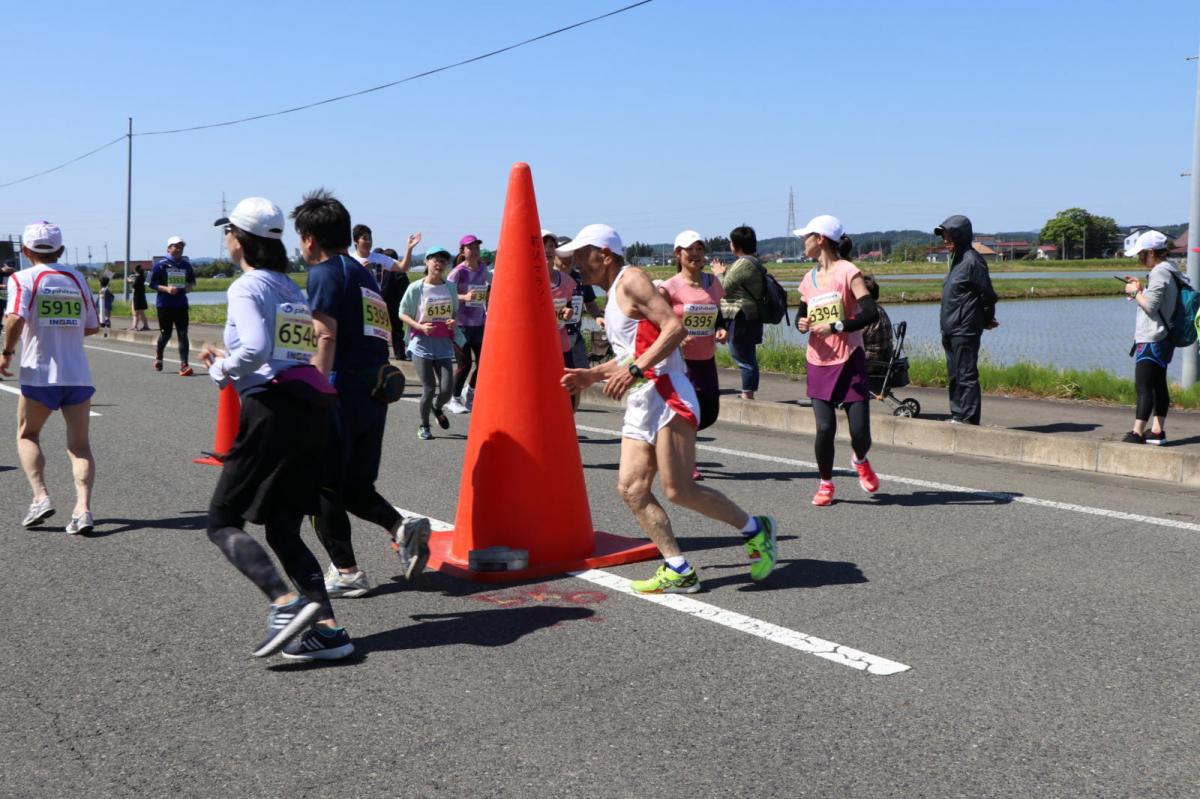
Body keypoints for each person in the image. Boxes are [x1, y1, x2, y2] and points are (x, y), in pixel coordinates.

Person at [559, 224, 778, 594]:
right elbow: (633, 353)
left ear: (605, 255)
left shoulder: (631, 280)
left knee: (678, 490)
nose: (576, 264)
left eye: (582, 256)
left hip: (668, 393)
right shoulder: (613, 295)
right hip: (643, 399)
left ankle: (756, 529)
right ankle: (678, 566)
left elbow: (673, 328)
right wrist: (592, 374)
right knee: (631, 488)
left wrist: (633, 369)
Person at [197, 196, 352, 661]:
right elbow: (293, 350)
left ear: (238, 240)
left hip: (270, 410)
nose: (225, 238)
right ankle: (328, 632)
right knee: (284, 528)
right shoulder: (290, 286)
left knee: (222, 520)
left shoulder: (246, 287)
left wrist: (223, 369)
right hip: (309, 410)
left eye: (227, 231)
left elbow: (258, 348)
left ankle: (285, 605)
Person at [291, 189, 431, 598]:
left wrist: (314, 395)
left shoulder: (323, 273)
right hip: (377, 387)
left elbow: (325, 335)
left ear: (310, 239)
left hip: (342, 387)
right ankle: (401, 527)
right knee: (355, 486)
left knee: (322, 486)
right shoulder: (363, 274)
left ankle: (347, 571)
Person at [1, 221, 98, 535]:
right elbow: (92, 325)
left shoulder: (22, 277)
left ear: (25, 251)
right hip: (77, 374)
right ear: (61, 250)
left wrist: (6, 352)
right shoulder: (77, 277)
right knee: (80, 446)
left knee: (28, 435)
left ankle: (41, 497)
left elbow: (15, 317)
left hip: (39, 373)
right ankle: (83, 509)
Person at [794, 215, 881, 507]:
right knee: (824, 428)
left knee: (859, 431)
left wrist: (837, 327)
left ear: (820, 239)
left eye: (806, 236)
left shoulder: (848, 272)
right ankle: (826, 483)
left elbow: (870, 313)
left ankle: (860, 459)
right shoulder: (808, 279)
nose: (802, 241)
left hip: (849, 359)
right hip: (818, 360)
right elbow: (800, 316)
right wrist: (802, 324)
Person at [658, 230, 726, 481]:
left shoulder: (712, 283)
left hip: (706, 357)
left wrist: (720, 329)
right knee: (689, 411)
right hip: (679, 361)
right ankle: (688, 461)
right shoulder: (669, 287)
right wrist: (676, 334)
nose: (696, 255)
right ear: (678, 254)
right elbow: (656, 321)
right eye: (690, 250)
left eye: (700, 249)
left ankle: (669, 439)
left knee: (709, 411)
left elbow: (717, 314)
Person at [1121, 229, 1188, 445]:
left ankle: (1137, 432)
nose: (1139, 258)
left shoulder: (1160, 272)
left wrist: (1134, 291)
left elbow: (1150, 306)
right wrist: (1141, 289)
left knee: (1144, 386)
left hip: (1153, 338)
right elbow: (1157, 301)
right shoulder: (1170, 269)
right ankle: (1157, 430)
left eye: (1141, 253)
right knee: (1158, 384)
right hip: (1164, 336)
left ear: (1151, 252)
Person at [934, 214, 998, 424]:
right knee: (954, 375)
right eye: (944, 237)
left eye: (949, 236)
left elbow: (987, 294)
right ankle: (958, 414)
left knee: (966, 374)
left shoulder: (973, 260)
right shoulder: (957, 261)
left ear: (960, 236)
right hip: (950, 328)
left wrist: (987, 318)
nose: (946, 241)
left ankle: (969, 419)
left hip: (965, 327)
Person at [399, 246, 464, 439]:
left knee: (446, 389)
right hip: (421, 343)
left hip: (443, 343)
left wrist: (454, 321)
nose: (439, 264)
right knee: (428, 388)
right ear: (427, 262)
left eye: (443, 261)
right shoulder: (416, 287)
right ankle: (424, 425)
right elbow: (402, 313)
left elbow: (454, 314)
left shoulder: (450, 287)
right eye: (434, 259)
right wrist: (419, 327)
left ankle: (437, 407)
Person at [713, 226, 764, 400]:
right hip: (748, 315)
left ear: (736, 244)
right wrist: (725, 273)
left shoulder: (744, 263)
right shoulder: (751, 261)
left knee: (742, 356)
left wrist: (719, 273)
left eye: (731, 241)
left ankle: (747, 394)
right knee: (746, 355)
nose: (730, 244)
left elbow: (724, 288)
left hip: (741, 315)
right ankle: (747, 392)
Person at [446, 234, 488, 414]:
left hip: (479, 323)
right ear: (462, 252)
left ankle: (469, 393)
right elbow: (446, 295)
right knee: (465, 364)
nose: (475, 250)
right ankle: (453, 398)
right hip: (461, 325)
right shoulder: (458, 272)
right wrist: (464, 297)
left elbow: (492, 287)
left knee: (484, 363)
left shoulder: (483, 268)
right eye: (470, 247)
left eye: (477, 247)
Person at [148, 235, 197, 376]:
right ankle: (159, 355)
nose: (179, 249)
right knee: (166, 334)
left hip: (181, 304)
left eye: (181, 246)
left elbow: (192, 281)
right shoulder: (160, 265)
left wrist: (189, 286)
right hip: (165, 305)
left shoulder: (186, 265)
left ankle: (184, 365)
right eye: (176, 246)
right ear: (169, 248)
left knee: (183, 334)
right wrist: (166, 289)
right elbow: (149, 283)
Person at [379, 247, 410, 360]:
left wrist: (379, 300)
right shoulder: (401, 273)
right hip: (398, 303)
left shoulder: (388, 271)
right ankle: (400, 353)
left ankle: (385, 353)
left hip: (387, 304)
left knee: (383, 330)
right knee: (397, 329)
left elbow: (385, 289)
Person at [860, 274, 894, 364]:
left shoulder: (866, 313)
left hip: (872, 363)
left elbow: (854, 339)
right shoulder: (879, 309)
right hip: (884, 361)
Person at [126, 263, 149, 331]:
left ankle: (135, 326)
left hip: (137, 297)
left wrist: (130, 281)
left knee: (135, 312)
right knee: (141, 313)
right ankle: (145, 326)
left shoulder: (138, 278)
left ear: (135, 270)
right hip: (141, 296)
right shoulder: (142, 277)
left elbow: (134, 286)